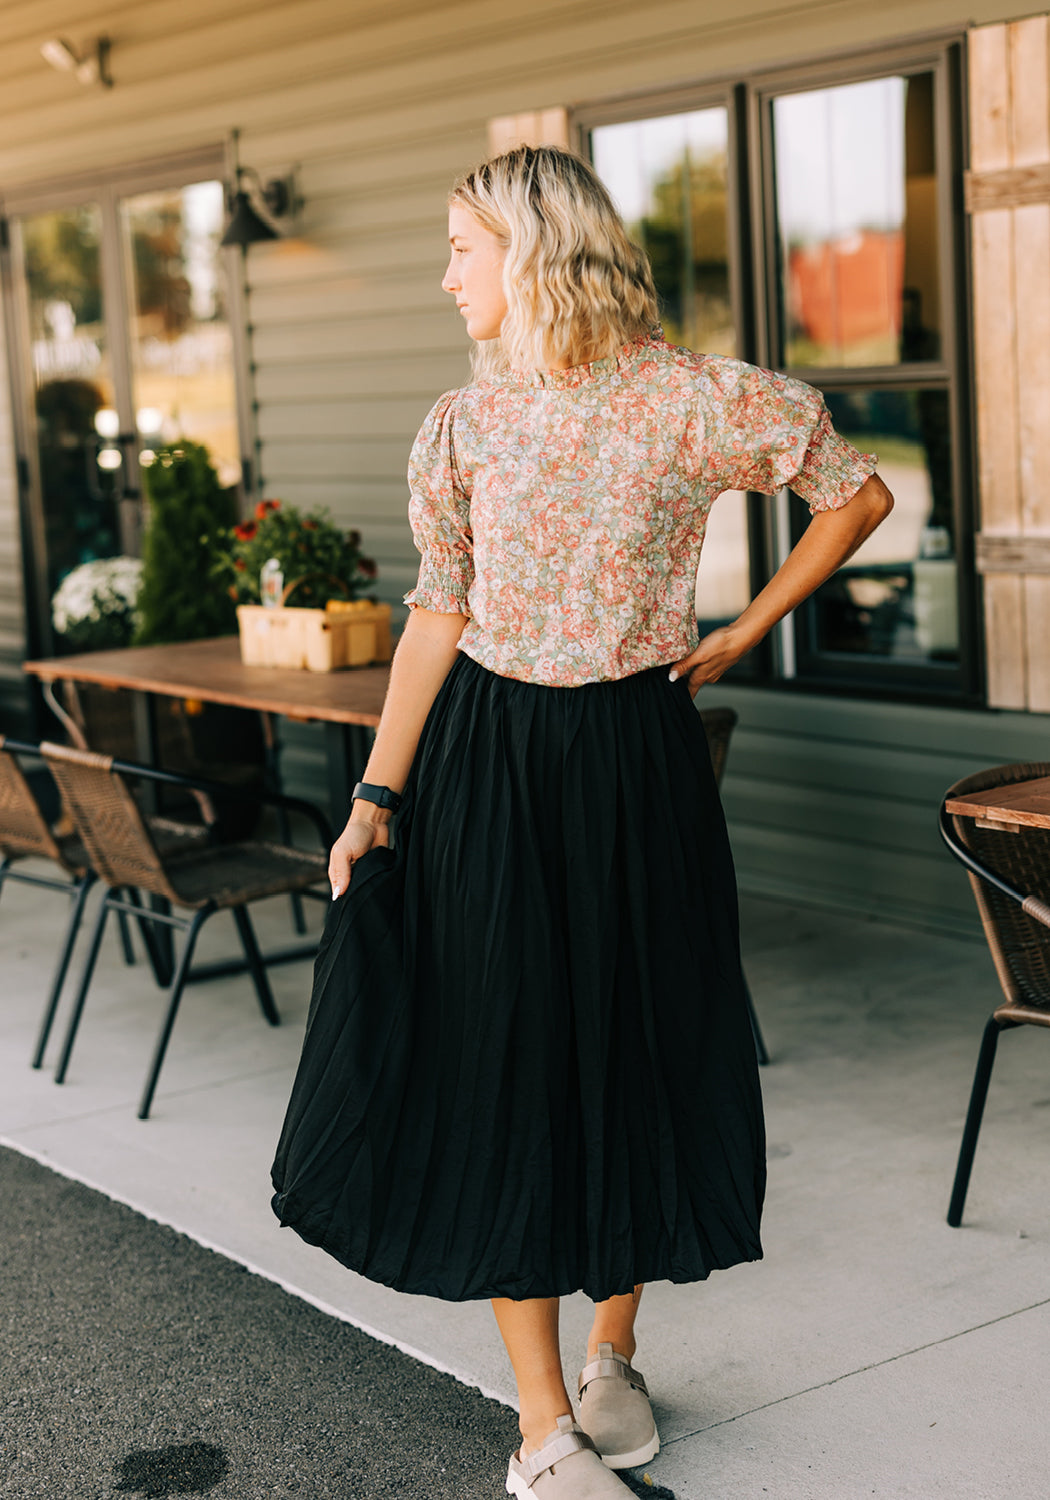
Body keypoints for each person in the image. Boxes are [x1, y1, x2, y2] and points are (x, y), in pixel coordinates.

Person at [271, 144, 893, 1498]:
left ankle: (614, 1355)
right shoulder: (463, 423)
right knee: (504, 1059)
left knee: (639, 1040)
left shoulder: (691, 398)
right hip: (489, 757)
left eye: (458, 249)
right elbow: (437, 616)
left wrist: (741, 630)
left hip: (634, 755)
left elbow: (855, 493)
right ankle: (539, 1428)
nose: (444, 278)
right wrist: (377, 794)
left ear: (534, 252)